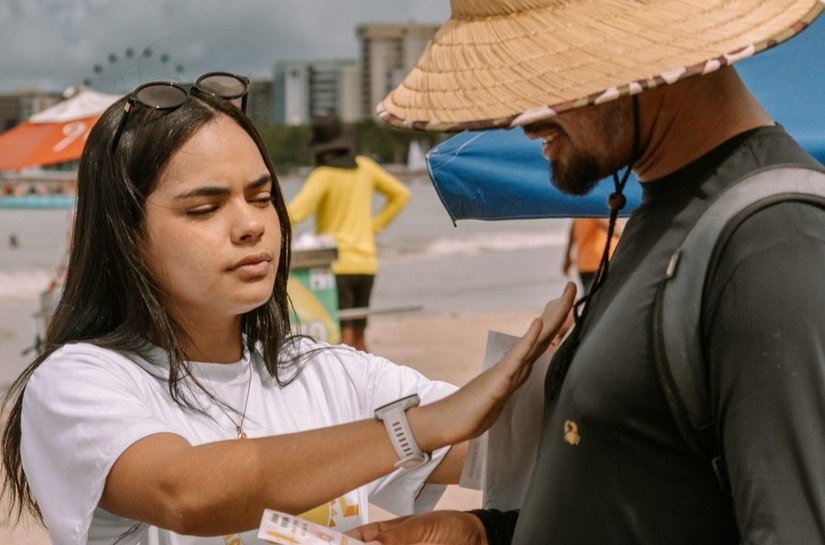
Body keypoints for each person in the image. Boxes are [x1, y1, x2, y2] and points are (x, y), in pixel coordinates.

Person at [0, 73, 576, 545]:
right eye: (204, 208)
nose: (251, 225)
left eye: (260, 196)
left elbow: (520, 455)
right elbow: (186, 495)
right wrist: (414, 429)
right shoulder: (80, 382)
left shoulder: (326, 373)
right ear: (125, 236)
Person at [351, 1, 825, 544]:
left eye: (547, 77)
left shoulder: (772, 241)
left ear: (643, 50)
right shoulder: (663, 209)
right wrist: (485, 534)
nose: (522, 120)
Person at [288, 113, 410, 351]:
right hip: (366, 263)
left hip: (337, 266)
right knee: (361, 336)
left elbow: (294, 213)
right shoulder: (365, 168)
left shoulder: (323, 176)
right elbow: (401, 195)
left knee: (342, 338)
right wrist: (372, 228)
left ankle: (348, 386)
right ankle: (366, 384)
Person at [561, 218, 620, 290]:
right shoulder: (602, 208)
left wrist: (567, 257)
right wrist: (625, 235)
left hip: (584, 263)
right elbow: (604, 223)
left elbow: (573, 230)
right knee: (602, 296)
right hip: (599, 261)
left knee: (591, 295)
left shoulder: (582, 210)